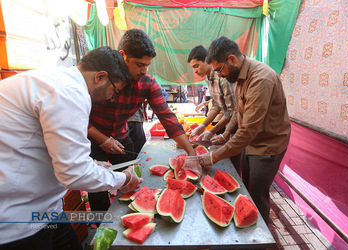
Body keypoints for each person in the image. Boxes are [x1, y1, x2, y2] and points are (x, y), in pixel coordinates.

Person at [0, 46, 142, 249]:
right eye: (114, 90)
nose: (113, 98)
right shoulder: (70, 92)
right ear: (100, 77)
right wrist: (124, 178)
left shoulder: (58, 80)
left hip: (44, 211)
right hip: (18, 220)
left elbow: (48, 146)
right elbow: (74, 173)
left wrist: (92, 163)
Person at [184, 37, 291, 225]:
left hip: (267, 147)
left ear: (232, 59)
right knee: (246, 189)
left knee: (257, 197)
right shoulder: (240, 75)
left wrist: (213, 157)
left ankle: (260, 240)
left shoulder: (260, 80)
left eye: (219, 70)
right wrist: (224, 134)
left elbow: (247, 131)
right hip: (250, 143)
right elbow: (237, 113)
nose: (219, 75)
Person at [88, 29, 197, 212]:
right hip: (91, 138)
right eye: (139, 64)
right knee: (97, 188)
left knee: (132, 182)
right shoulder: (101, 78)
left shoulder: (147, 82)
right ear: (123, 56)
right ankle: (100, 227)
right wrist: (102, 139)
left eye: (147, 65)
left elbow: (167, 118)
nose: (144, 70)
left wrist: (191, 153)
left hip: (121, 138)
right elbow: (78, 117)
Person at [187, 45, 235, 141]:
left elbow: (232, 111)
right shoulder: (208, 78)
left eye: (197, 66)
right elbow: (216, 105)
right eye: (193, 68)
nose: (195, 71)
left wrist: (211, 131)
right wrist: (203, 126)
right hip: (228, 123)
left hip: (236, 123)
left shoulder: (222, 77)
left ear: (206, 60)